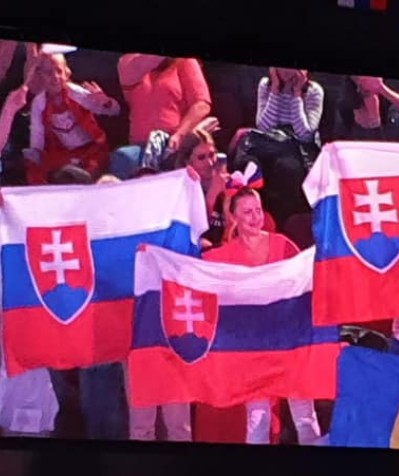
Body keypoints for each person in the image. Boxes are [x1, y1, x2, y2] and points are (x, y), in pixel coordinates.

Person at [200, 187, 323, 445]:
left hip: (289, 346)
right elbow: (193, 271)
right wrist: (154, 257)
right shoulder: (225, 256)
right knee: (257, 421)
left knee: (305, 417)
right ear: (233, 217)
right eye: (247, 212)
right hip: (253, 352)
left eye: (258, 210)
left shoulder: (283, 245)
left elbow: (307, 281)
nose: (256, 217)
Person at [230, 67, 324, 228]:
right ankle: (246, 219)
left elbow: (304, 134)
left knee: (286, 168)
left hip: (297, 147)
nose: (286, 71)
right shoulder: (265, 85)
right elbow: (264, 126)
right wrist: (274, 90)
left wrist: (296, 95)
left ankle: (282, 224)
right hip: (268, 142)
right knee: (247, 163)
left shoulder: (314, 91)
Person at [111, 55, 212, 179]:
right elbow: (135, 69)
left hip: (174, 143)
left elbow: (201, 105)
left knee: (178, 160)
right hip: (141, 146)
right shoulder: (129, 62)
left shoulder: (185, 62)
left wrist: (180, 134)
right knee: (122, 157)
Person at [26, 52, 120, 185]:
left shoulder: (77, 94)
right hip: (63, 153)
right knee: (34, 163)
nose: (55, 77)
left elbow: (114, 111)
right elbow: (37, 137)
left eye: (59, 71)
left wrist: (105, 102)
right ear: (40, 76)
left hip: (91, 150)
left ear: (67, 73)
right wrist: (34, 159)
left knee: (88, 171)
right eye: (49, 73)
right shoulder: (39, 103)